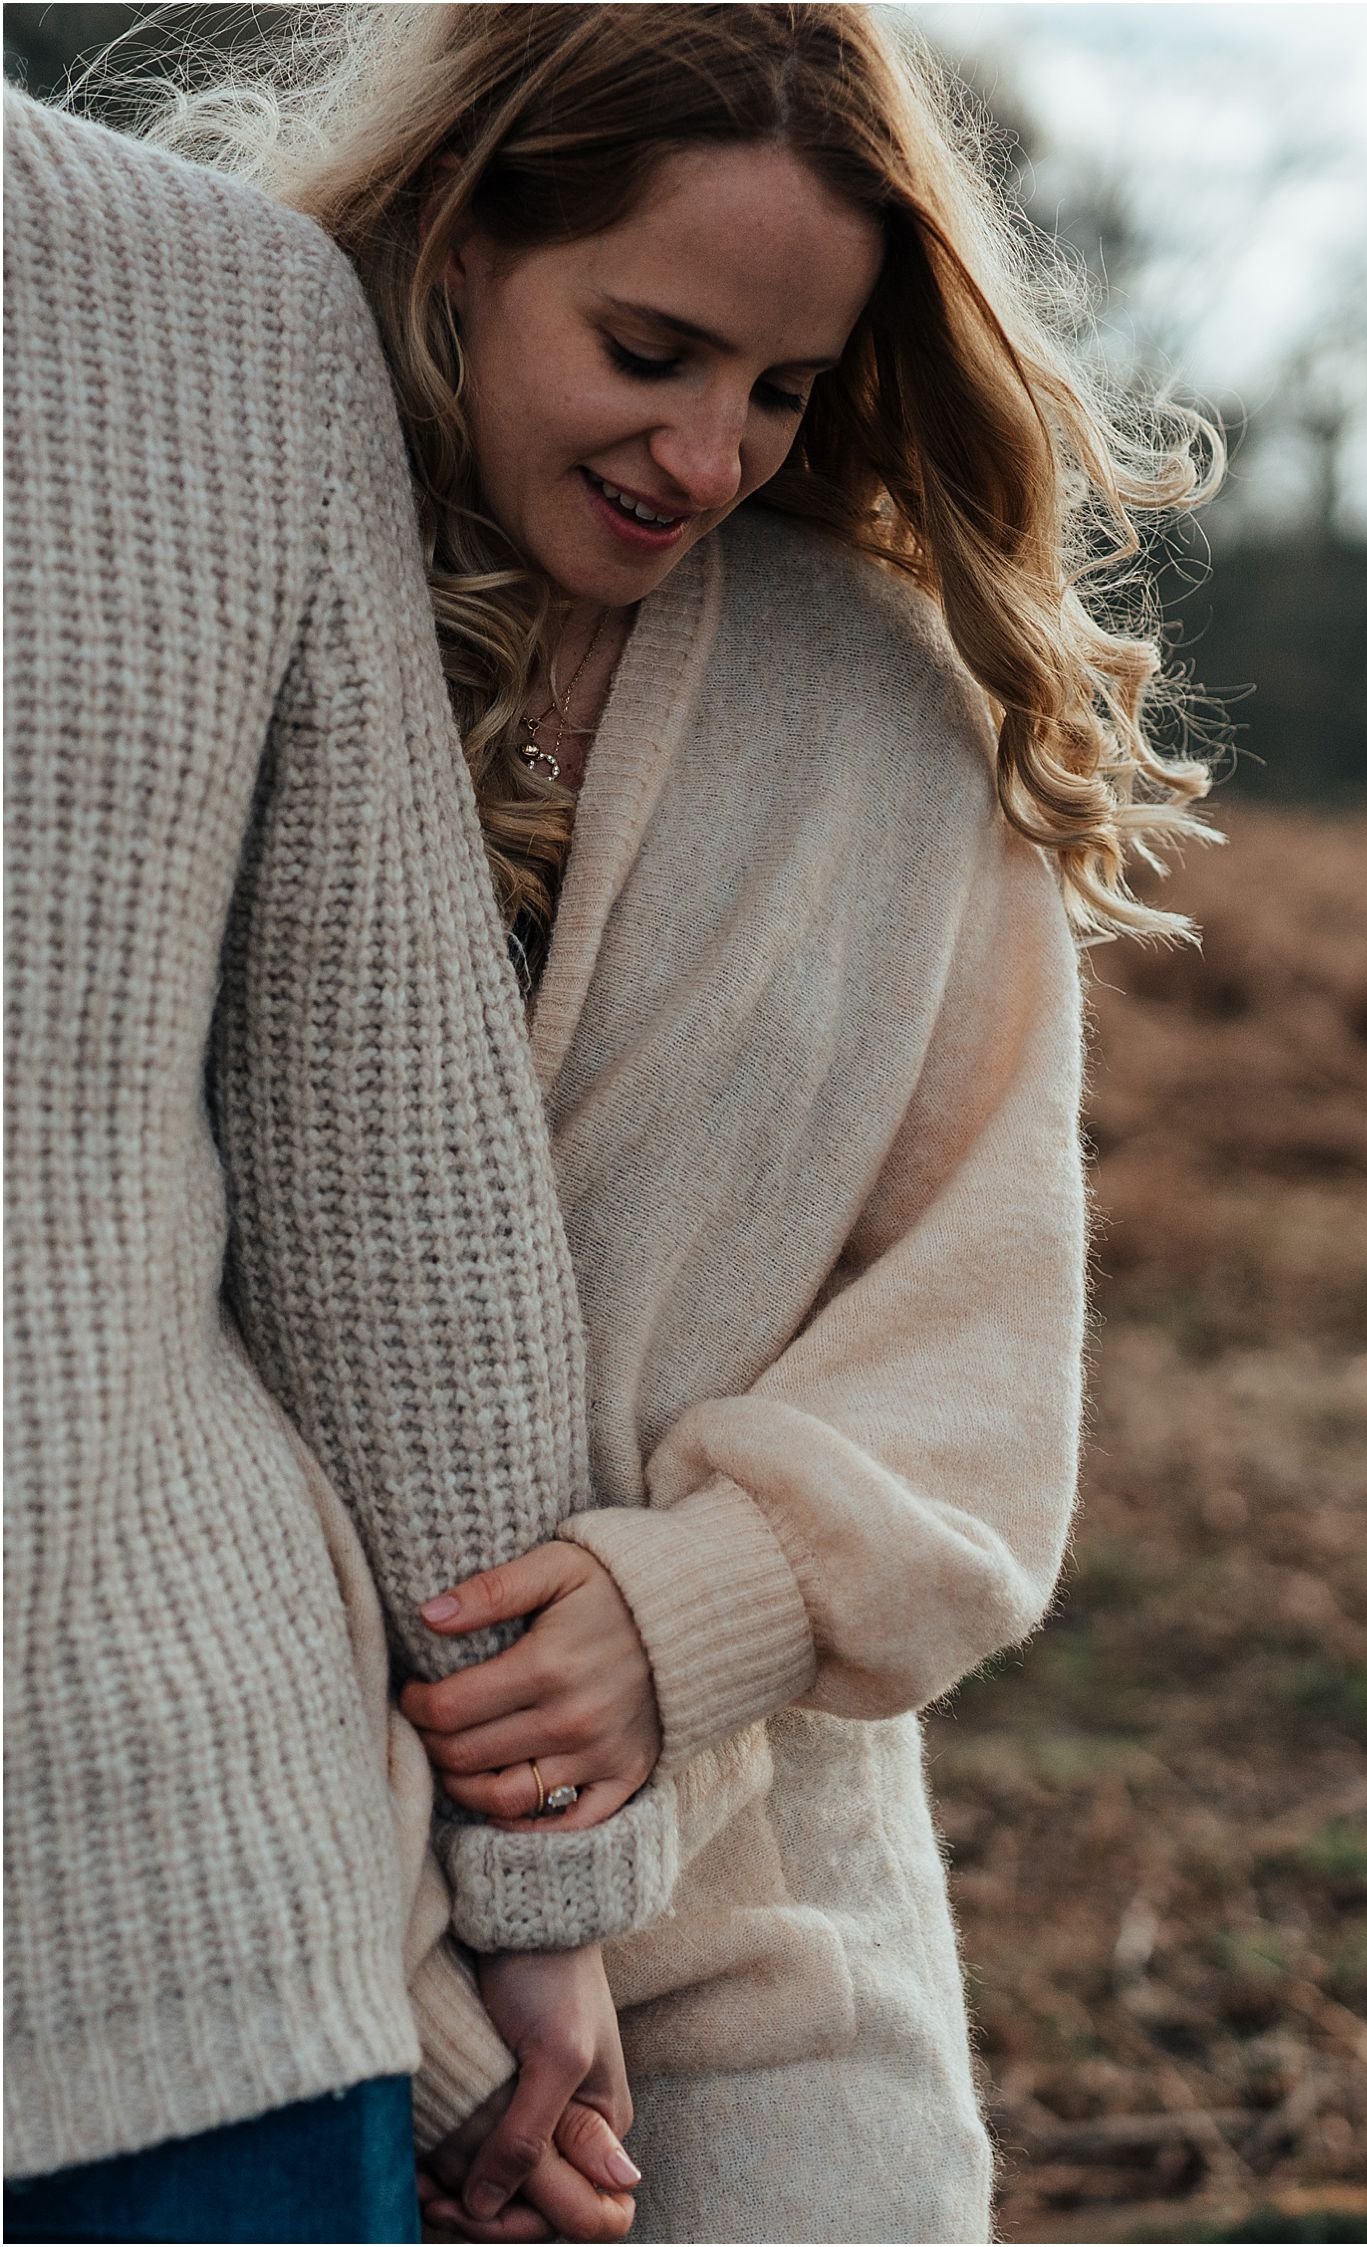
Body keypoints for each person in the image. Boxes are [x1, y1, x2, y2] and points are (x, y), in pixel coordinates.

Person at [142, 4, 1224, 2239]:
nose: (711, 449)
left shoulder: (879, 719)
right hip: (225, 1892)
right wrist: (446, 1989)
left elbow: (980, 1328)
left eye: (785, 388)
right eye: (651, 345)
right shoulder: (185, 621)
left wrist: (711, 1599)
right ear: (455, 239)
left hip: (759, 1919)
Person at [3, 83, 652, 2247]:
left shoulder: (227, 314)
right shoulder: (226, 306)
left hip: (165, 1946)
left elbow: (393, 1171)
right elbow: (391, 1174)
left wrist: (535, 1891)